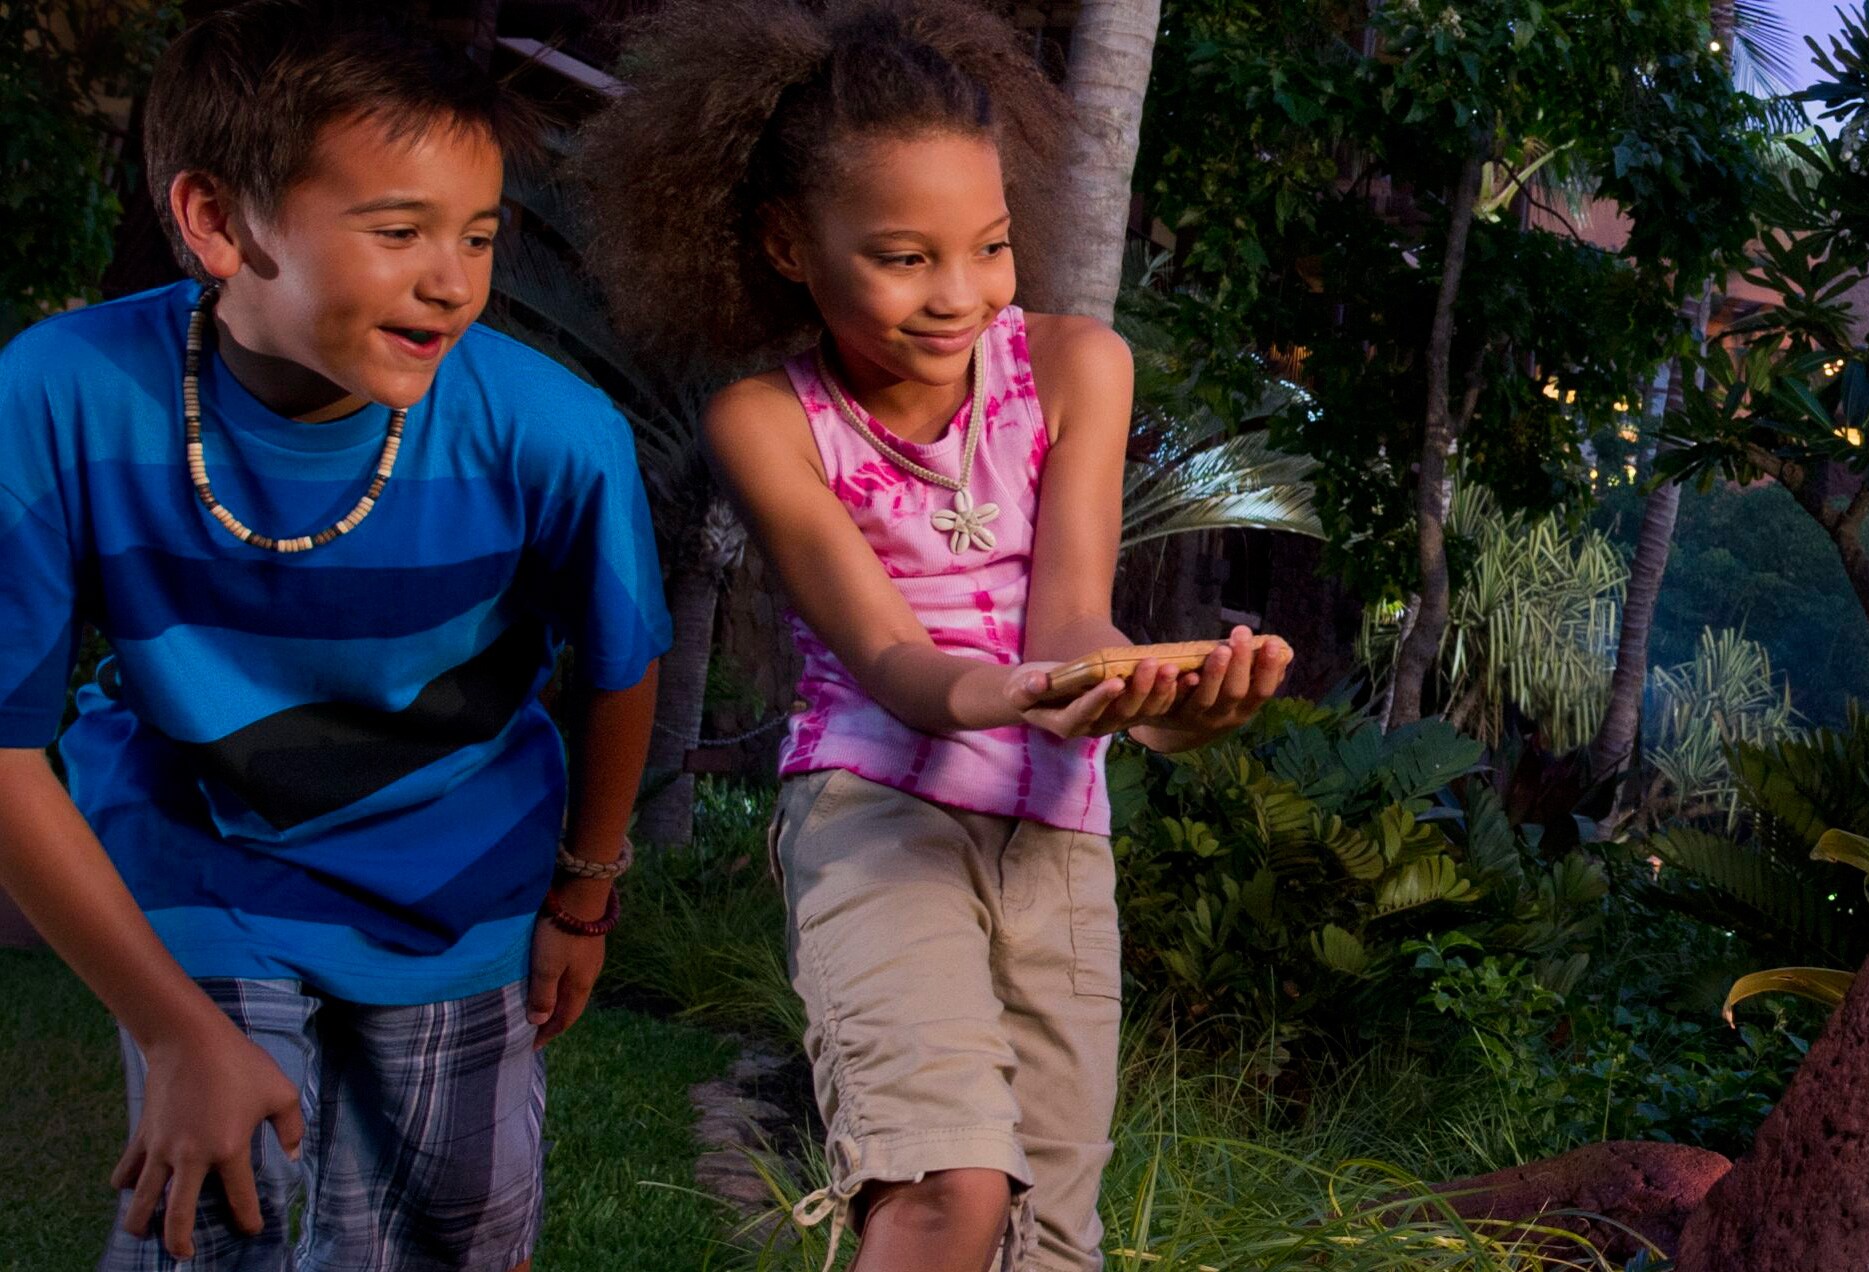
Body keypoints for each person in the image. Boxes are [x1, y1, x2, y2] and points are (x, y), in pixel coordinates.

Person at [575, 2, 1291, 1268]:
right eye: (904, 258)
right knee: (943, 1188)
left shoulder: (1076, 367)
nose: (957, 295)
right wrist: (1013, 692)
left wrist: (1167, 705)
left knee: (1051, 1239)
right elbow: (892, 661)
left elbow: (1071, 618)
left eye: (990, 246)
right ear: (788, 243)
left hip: (1058, 835)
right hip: (875, 815)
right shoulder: (768, 421)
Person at [0, 3, 671, 1267]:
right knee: (218, 1211)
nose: (453, 280)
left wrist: (583, 896)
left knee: (456, 1232)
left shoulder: (553, 434)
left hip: (461, 875)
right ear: (216, 221)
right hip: (198, 863)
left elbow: (618, 668)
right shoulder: (59, 395)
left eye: (479, 234)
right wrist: (174, 1031)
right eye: (399, 230)